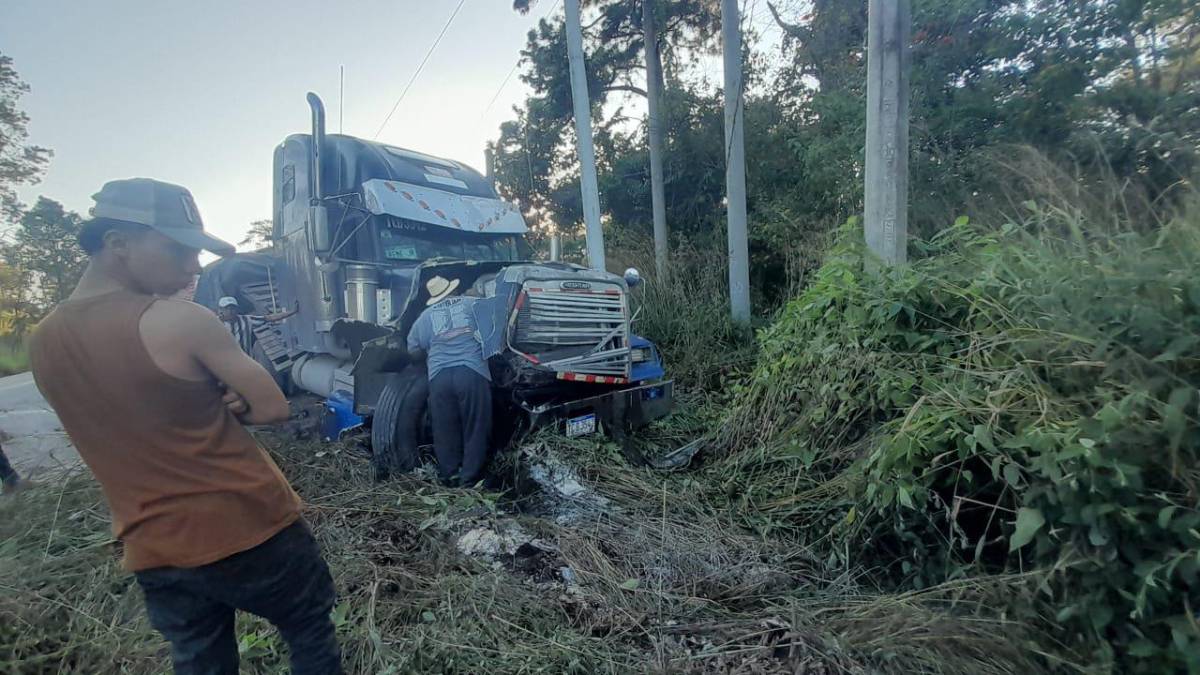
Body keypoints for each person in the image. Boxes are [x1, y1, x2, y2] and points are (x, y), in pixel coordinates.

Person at [29, 178, 341, 674]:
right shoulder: (179, 320)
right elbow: (273, 407)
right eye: (178, 250)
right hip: (250, 526)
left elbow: (126, 415)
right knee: (309, 630)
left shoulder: (42, 341)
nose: (193, 267)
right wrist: (233, 401)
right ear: (118, 244)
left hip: (154, 546)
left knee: (200, 659)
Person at [407, 275, 493, 487]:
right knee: (476, 426)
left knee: (444, 428)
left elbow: (412, 349)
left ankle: (450, 477)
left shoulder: (425, 316)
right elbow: (494, 330)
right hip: (471, 372)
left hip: (439, 377)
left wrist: (429, 353)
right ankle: (470, 480)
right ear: (453, 290)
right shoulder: (473, 304)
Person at [216, 296, 297, 356]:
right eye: (227, 308)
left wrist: (292, 312)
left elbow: (269, 318)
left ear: (237, 309)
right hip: (225, 363)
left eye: (232, 308)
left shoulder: (246, 320)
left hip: (246, 360)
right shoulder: (215, 323)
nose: (230, 311)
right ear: (220, 310)